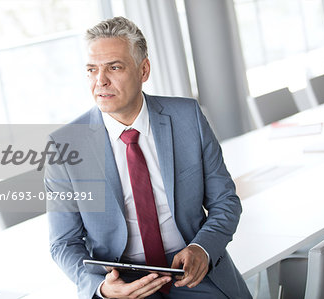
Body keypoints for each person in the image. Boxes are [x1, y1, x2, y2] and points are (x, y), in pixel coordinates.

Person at [45, 16, 251, 299]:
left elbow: (225, 200)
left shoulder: (187, 117)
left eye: (114, 67)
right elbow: (63, 243)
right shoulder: (65, 146)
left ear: (144, 70)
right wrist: (101, 287)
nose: (100, 81)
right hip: (121, 281)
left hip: (191, 272)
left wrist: (202, 249)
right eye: (92, 70)